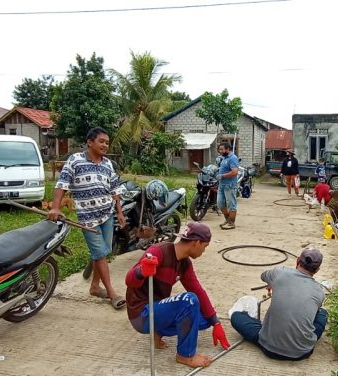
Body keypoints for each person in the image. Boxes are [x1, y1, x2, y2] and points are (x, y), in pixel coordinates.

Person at [125, 222, 231, 368]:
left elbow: (198, 290)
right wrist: (141, 271)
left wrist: (216, 323)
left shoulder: (184, 264)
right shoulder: (158, 251)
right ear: (196, 243)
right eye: (205, 246)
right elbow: (129, 280)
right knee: (189, 301)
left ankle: (158, 331)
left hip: (157, 311)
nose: (204, 251)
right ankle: (185, 356)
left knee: (205, 318)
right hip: (141, 314)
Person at [48, 127, 127, 310]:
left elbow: (115, 191)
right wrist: (55, 207)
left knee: (103, 253)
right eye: (101, 141)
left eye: (107, 142)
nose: (105, 145)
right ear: (89, 142)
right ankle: (112, 293)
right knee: (100, 254)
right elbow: (62, 184)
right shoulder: (75, 161)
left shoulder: (108, 164)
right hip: (87, 218)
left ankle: (94, 287)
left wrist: (120, 212)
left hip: (106, 214)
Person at [230, 247, 328, 360]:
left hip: (268, 347)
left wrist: (273, 282)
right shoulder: (319, 291)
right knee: (322, 314)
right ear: (317, 270)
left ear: (298, 260)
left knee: (236, 317)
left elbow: (263, 276)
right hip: (302, 352)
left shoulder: (279, 273)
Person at [216, 142, 240, 230]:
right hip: (222, 185)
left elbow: (234, 172)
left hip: (230, 185)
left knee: (231, 204)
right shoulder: (224, 158)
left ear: (228, 149)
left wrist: (222, 176)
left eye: (222, 149)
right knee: (220, 204)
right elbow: (224, 168)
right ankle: (227, 219)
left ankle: (231, 223)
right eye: (219, 149)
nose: (220, 151)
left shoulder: (233, 158)